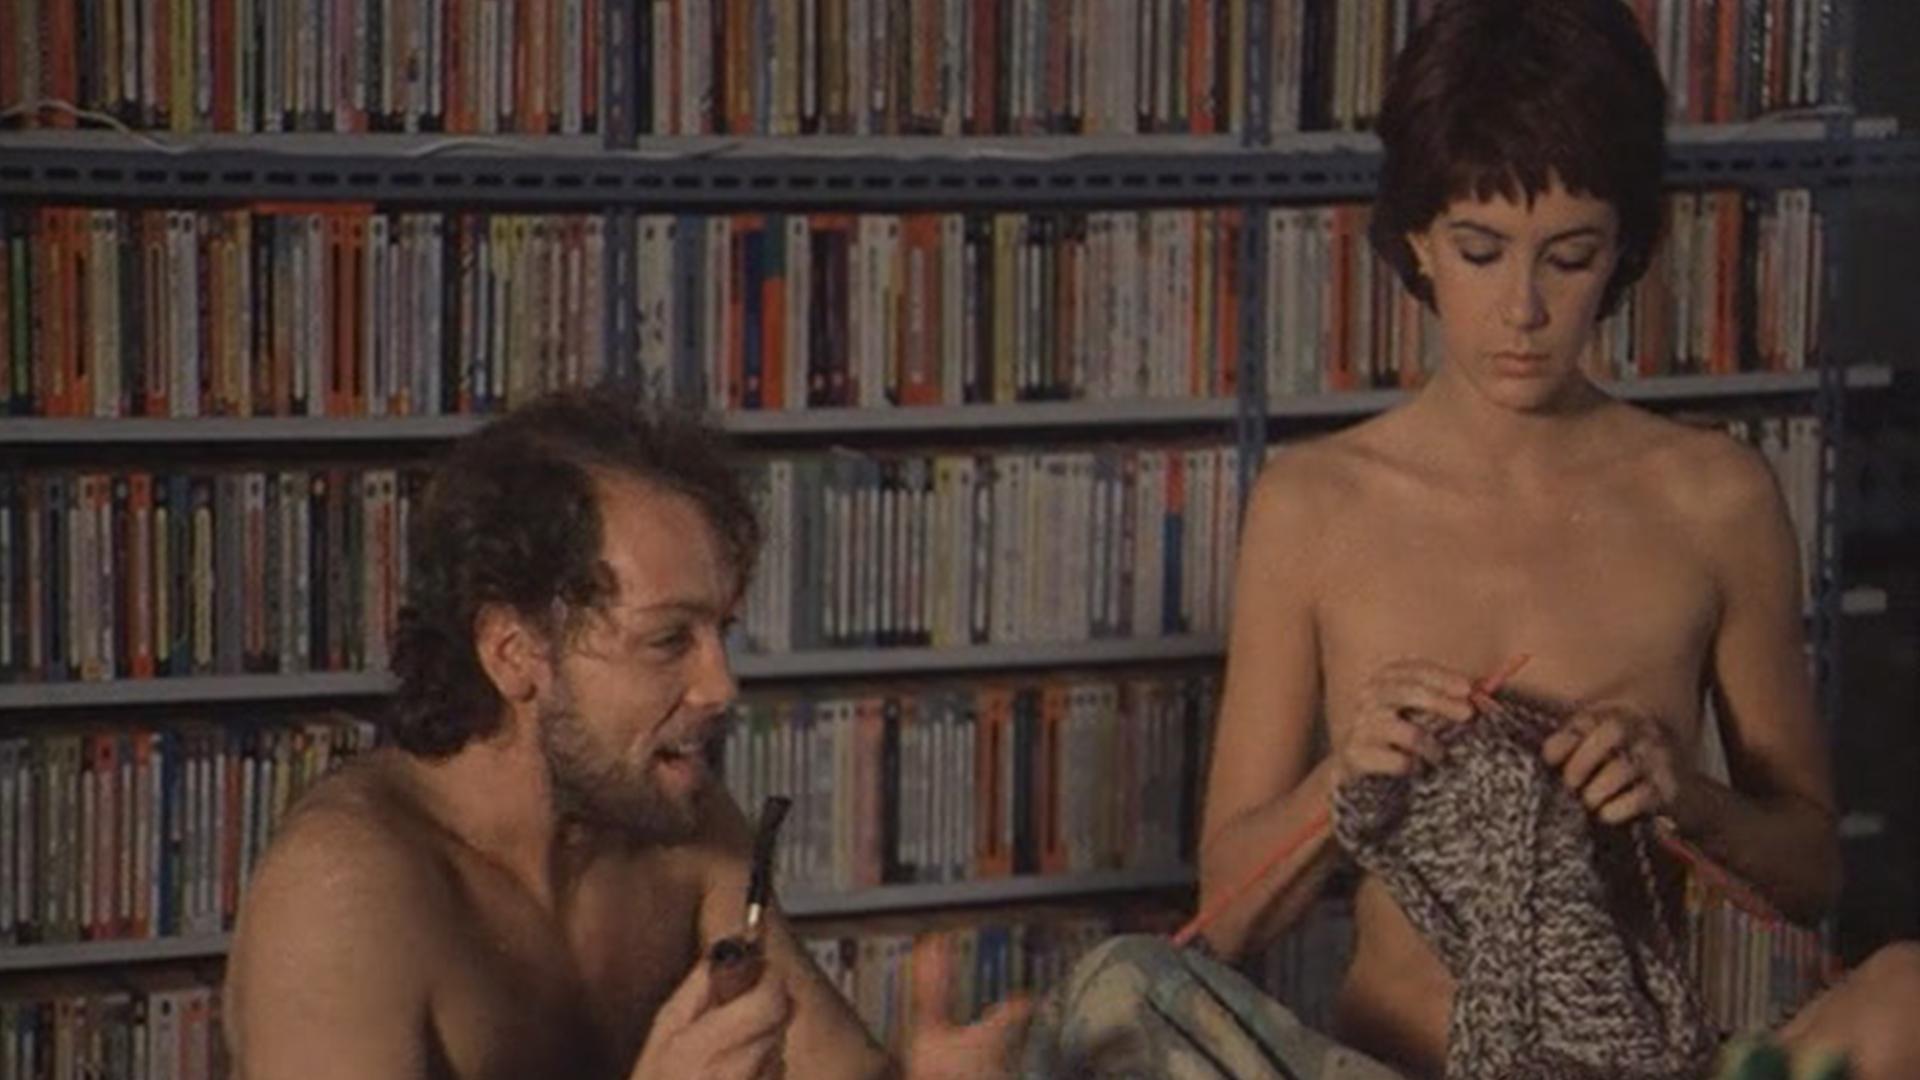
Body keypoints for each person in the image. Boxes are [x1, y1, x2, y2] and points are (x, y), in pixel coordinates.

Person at [1195, 0, 1920, 1077]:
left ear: (1623, 252)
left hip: (1624, 1058)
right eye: (1481, 251)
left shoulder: (1714, 497)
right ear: (1418, 242)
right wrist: (1343, 781)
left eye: (1569, 257)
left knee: (1908, 993)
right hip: (1398, 1065)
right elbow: (1222, 920)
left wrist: (1683, 794)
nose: (1523, 309)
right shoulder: (1313, 503)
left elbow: (1810, 873)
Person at [223, 387, 1030, 1079]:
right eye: (669, 639)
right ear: (514, 653)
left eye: (721, 632)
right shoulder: (346, 892)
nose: (721, 686)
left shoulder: (680, 822)